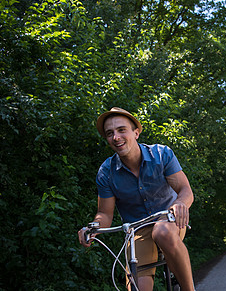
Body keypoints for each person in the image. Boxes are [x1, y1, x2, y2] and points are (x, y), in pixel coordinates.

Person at [78, 107, 195, 291]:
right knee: (137, 287)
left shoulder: (161, 154)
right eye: (110, 133)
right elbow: (104, 214)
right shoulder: (106, 172)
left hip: (170, 221)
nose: (116, 137)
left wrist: (180, 203)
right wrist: (93, 228)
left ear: (136, 132)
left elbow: (185, 190)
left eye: (121, 130)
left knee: (162, 231)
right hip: (137, 230)